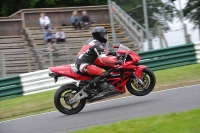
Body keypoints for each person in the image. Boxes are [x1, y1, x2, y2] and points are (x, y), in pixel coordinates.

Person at [75, 27, 118, 95]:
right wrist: (116, 62)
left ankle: (98, 86)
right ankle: (87, 89)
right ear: (99, 35)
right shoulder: (97, 44)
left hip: (81, 63)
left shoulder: (92, 41)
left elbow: (99, 51)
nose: (105, 36)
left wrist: (112, 53)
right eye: (104, 35)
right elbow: (103, 59)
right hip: (84, 65)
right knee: (104, 73)